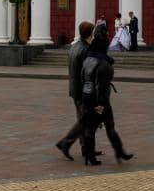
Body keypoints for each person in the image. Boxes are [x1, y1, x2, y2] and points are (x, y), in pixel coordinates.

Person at [81, 29, 132, 165]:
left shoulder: (87, 59)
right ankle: (117, 152)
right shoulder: (104, 64)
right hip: (99, 100)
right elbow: (102, 86)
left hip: (87, 96)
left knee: (93, 128)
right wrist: (101, 104)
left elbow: (83, 78)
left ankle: (93, 155)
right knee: (106, 126)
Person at [55, 21, 97, 161]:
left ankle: (87, 149)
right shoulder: (85, 50)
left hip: (75, 89)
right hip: (83, 90)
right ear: (90, 33)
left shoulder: (74, 47)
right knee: (85, 120)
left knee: (84, 119)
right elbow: (87, 74)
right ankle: (65, 143)